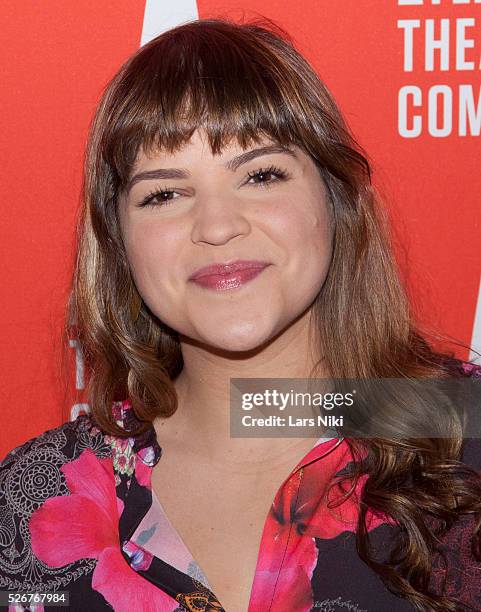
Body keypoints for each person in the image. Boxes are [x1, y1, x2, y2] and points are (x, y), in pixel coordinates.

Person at [1, 16, 480, 612]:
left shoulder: (467, 438)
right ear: (119, 241)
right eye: (165, 193)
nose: (219, 226)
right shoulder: (29, 501)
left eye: (260, 174)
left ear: (335, 201)